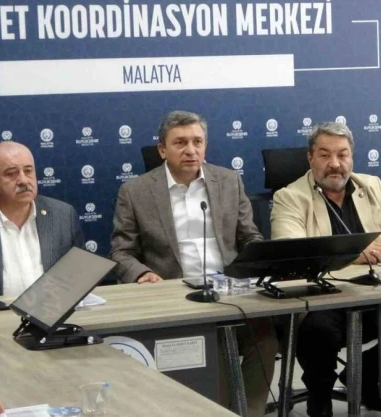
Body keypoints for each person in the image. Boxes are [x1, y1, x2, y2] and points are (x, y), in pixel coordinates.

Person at [109, 110, 276, 417]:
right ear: (162, 149)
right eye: (181, 143)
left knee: (265, 339)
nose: (190, 150)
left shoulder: (228, 181)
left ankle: (249, 413)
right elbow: (122, 252)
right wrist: (142, 273)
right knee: (215, 354)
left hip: (230, 292)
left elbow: (249, 236)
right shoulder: (135, 191)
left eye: (197, 142)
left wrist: (254, 261)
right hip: (174, 298)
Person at [271, 122, 381, 417]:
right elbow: (293, 253)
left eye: (342, 155)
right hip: (322, 301)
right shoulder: (289, 197)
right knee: (318, 331)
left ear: (351, 157)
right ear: (310, 158)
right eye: (325, 155)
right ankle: (320, 399)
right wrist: (354, 255)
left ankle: (362, 374)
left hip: (375, 294)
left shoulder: (371, 186)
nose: (335, 164)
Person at [0, 141, 83, 297]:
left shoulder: (63, 215)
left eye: (28, 171)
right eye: (11, 173)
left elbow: (79, 276)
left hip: (52, 309)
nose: (23, 180)